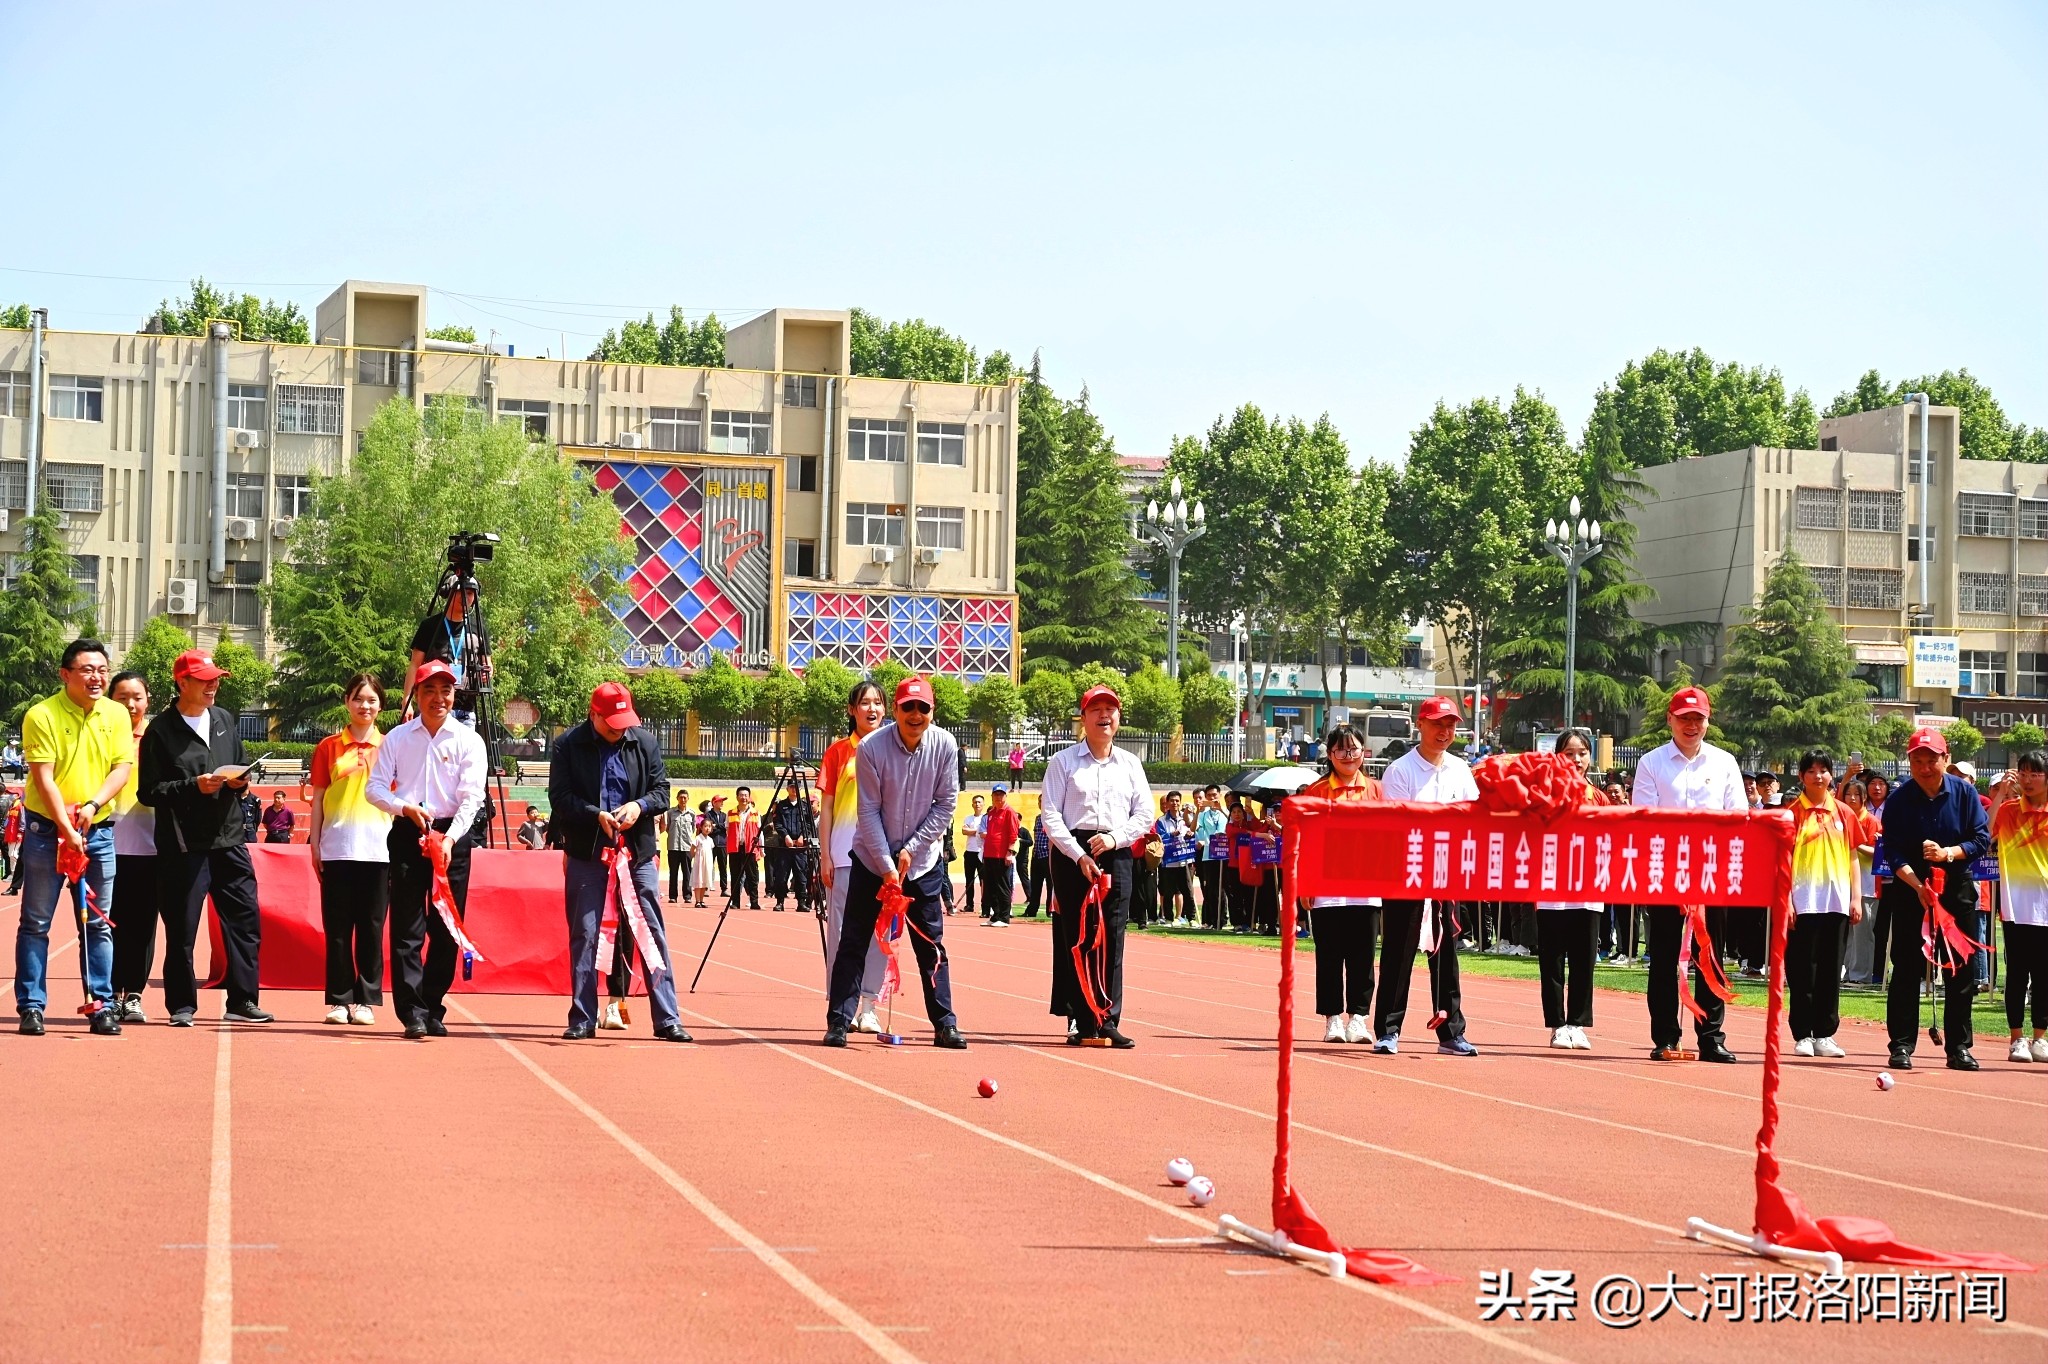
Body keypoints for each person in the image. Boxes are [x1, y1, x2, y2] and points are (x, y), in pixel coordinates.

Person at [822, 676, 966, 1049]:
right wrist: (887, 864)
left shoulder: (946, 746)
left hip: (921, 865)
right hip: (872, 861)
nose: (915, 715)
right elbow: (867, 811)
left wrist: (913, 849)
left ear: (932, 712)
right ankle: (839, 1021)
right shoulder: (871, 747)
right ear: (896, 711)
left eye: (923, 708)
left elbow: (946, 804)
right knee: (852, 941)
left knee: (930, 945)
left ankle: (944, 1023)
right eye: (908, 707)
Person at [551, 682, 690, 1043]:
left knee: (651, 932)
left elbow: (662, 790)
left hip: (637, 852)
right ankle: (583, 1016)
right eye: (611, 722)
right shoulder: (567, 746)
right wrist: (595, 814)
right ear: (592, 714)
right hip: (588, 853)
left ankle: (667, 1018)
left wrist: (638, 806)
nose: (619, 729)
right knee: (585, 932)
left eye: (624, 722)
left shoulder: (643, 742)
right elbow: (560, 798)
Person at [139, 649, 269, 1027]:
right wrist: (193, 786)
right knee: (182, 928)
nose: (214, 685)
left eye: (216, 678)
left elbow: (242, 771)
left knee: (245, 922)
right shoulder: (160, 731)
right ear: (183, 683)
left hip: (230, 839)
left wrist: (241, 783)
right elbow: (148, 792)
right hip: (184, 846)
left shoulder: (225, 720)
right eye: (205, 679)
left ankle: (243, 1000)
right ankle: (181, 1005)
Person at [16, 639, 133, 1036]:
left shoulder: (116, 714)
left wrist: (92, 805)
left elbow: (121, 769)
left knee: (98, 924)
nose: (96, 676)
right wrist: (67, 829)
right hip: (47, 832)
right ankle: (31, 1005)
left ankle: (101, 1004)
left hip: (96, 830)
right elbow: (43, 779)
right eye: (87, 669)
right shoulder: (42, 715)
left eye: (102, 669)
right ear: (65, 674)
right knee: (36, 923)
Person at [367, 660, 488, 1040]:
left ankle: (433, 1005)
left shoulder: (469, 740)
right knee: (407, 927)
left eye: (446, 691)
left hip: (453, 839)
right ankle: (411, 1012)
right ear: (416, 695)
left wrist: (451, 839)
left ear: (454, 695)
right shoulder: (399, 738)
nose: (438, 699)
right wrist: (404, 807)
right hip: (408, 834)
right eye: (429, 691)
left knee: (448, 928)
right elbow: (375, 788)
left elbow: (472, 798)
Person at [1628, 686, 1746, 1063]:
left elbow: (1738, 818)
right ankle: (1665, 1036)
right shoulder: (1651, 763)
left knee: (1709, 956)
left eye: (1698, 719)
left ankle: (1711, 1037)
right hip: (1665, 875)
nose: (1691, 726)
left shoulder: (1725, 763)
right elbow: (1645, 821)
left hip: (1712, 875)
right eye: (1684, 719)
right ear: (1671, 720)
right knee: (1664, 958)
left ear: (1708, 722)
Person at [1041, 684, 1153, 1048]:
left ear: (1118, 718)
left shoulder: (1130, 763)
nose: (1104, 716)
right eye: (1096, 710)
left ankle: (1107, 1018)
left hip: (1115, 852)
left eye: (1111, 710)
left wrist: (1115, 838)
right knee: (1077, 935)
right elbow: (1050, 816)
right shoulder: (1063, 762)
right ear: (1083, 718)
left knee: (1113, 936)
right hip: (1073, 853)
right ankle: (1078, 1017)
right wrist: (1080, 854)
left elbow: (1144, 813)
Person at [1372, 695, 1480, 1057]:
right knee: (1398, 952)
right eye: (1437, 724)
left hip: (1446, 874)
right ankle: (1388, 1030)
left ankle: (1452, 1032)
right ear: (1420, 724)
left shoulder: (1461, 771)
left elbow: (1471, 820)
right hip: (1407, 873)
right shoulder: (1400, 771)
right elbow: (1402, 823)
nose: (1445, 731)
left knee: (1447, 953)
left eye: (1450, 725)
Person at [1879, 727, 1989, 1071]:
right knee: (1907, 969)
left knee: (1961, 970)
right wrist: (1917, 886)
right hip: (1913, 892)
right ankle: (1901, 1046)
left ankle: (1959, 1048)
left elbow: (1981, 838)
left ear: (1946, 759)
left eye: (1932, 760)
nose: (1925, 767)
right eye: (1917, 760)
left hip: (1956, 891)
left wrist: (1949, 854)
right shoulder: (1898, 800)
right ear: (1909, 762)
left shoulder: (1965, 794)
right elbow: (1893, 852)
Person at [308, 674, 390, 1027]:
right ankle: (340, 1000)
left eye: (372, 700)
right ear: (347, 702)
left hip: (379, 850)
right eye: (358, 699)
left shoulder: (391, 746)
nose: (365, 706)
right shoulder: (328, 746)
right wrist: (314, 844)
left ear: (381, 706)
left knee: (372, 929)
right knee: (338, 929)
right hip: (337, 849)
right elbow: (318, 800)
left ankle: (367, 1001)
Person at [1299, 725, 1383, 1044]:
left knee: (1363, 956)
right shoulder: (1316, 792)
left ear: (1364, 751)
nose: (1348, 756)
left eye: (1354, 749)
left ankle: (1359, 1018)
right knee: (1330, 956)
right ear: (1330, 754)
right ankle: (1333, 1019)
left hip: (1367, 887)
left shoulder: (1376, 791)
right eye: (1341, 750)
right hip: (1327, 889)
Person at [818, 680, 892, 1031]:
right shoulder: (837, 753)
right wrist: (826, 855)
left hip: (883, 860)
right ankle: (840, 1008)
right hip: (845, 857)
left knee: (880, 936)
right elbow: (828, 807)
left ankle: (868, 1007)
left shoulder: (895, 750)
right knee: (841, 935)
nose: (872, 709)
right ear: (852, 710)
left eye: (878, 702)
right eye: (865, 703)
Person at [1536, 728, 1608, 1051]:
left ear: (1590, 758)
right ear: (1557, 757)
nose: (1576, 760)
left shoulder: (1600, 798)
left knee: (1583, 960)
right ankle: (1556, 1025)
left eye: (1582, 753)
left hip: (1588, 889)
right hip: (1551, 887)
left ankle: (1577, 1023)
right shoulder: (1543, 794)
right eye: (1569, 753)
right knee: (1551, 960)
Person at [1786, 748, 1861, 1058]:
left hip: (1837, 902)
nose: (1819, 776)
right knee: (1803, 970)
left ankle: (1825, 1034)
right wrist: (1787, 901)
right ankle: (1803, 1034)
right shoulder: (1791, 814)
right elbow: (1782, 859)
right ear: (1802, 776)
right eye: (1812, 770)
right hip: (1803, 902)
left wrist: (1856, 897)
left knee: (1832, 970)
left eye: (1824, 770)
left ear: (1832, 774)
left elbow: (1854, 856)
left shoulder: (1844, 812)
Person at [104, 671, 159, 1023]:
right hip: (104, 843)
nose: (130, 704)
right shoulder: (100, 735)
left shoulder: (157, 739)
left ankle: (134, 993)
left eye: (136, 697)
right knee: (105, 924)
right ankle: (107, 993)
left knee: (142, 924)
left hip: (150, 846)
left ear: (147, 700)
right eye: (122, 697)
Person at [1987, 752, 2048, 1063]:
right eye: (2023, 773)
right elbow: (1984, 833)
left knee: (2044, 976)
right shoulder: (2009, 810)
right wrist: (1999, 795)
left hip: (2046, 909)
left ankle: (2040, 1038)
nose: (2027, 778)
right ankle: (2016, 1039)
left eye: (2034, 773)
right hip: (2016, 907)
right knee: (2017, 975)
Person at [1863, 772, 1894, 984]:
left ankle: (1882, 970)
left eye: (1881, 784)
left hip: (1890, 876)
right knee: (1869, 926)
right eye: (1872, 783)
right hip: (1867, 877)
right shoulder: (1862, 811)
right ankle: (1870, 968)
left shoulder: (1893, 808)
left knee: (1885, 927)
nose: (1876, 788)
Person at [1154, 792, 1198, 926]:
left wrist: (1191, 833)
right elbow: (1160, 838)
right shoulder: (1161, 821)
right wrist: (1171, 834)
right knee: (1168, 892)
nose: (1175, 803)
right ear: (1167, 803)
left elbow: (1194, 831)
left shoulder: (1186, 818)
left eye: (1177, 801)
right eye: (1172, 801)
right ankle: (1168, 918)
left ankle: (1191, 918)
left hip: (1184, 860)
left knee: (1188, 890)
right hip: (1169, 862)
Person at [980, 784, 1021, 925]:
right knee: (990, 887)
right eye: (996, 794)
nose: (998, 797)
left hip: (1001, 855)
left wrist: (1009, 853)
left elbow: (1013, 834)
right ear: (992, 796)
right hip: (989, 854)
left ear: (1005, 796)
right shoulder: (991, 812)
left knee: (1002, 886)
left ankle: (1004, 917)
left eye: (1001, 794)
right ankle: (996, 915)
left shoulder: (1009, 812)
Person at [1194, 784, 1228, 929]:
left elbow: (1232, 822)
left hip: (1224, 854)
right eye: (1209, 796)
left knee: (1224, 889)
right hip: (1209, 855)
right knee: (1211, 889)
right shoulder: (1204, 814)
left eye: (1214, 795)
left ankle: (1223, 919)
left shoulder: (1225, 812)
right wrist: (1197, 811)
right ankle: (1213, 920)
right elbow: (1193, 828)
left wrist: (1221, 809)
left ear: (1219, 795)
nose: (1212, 798)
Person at [725, 788, 761, 910]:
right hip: (735, 848)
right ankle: (735, 902)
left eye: (745, 795)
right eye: (741, 795)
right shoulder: (730, 813)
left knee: (752, 876)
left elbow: (759, 832)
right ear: (737, 797)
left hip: (750, 848)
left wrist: (761, 850)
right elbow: (727, 830)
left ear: (749, 797)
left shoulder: (755, 813)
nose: (743, 797)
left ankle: (754, 901)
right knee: (735, 876)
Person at [961, 794, 987, 919]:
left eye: (979, 802)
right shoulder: (968, 818)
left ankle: (984, 904)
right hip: (969, 852)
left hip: (981, 852)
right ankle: (969, 904)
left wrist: (974, 831)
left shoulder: (985, 818)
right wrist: (978, 831)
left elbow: (984, 833)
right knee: (969, 880)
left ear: (983, 804)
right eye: (975, 802)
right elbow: (964, 831)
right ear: (972, 804)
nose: (977, 804)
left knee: (983, 880)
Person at [1022, 806, 1050, 918]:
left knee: (1051, 885)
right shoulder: (1038, 818)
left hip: (1048, 855)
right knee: (1035, 885)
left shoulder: (1055, 818)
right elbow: (1036, 836)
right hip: (1037, 855)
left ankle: (1050, 910)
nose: (1041, 804)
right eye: (1040, 802)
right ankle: (1032, 909)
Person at [663, 795, 693, 899]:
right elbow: (667, 828)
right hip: (673, 846)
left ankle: (687, 895)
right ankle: (672, 896)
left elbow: (692, 829)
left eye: (685, 798)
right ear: (677, 798)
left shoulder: (692, 813)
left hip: (687, 847)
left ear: (688, 799)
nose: (683, 800)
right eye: (681, 797)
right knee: (673, 872)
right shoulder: (670, 812)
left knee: (687, 872)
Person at [689, 801, 716, 907]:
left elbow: (710, 851)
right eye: (705, 826)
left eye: (709, 826)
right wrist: (694, 857)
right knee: (698, 881)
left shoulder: (710, 840)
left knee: (704, 882)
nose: (707, 828)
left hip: (707, 863)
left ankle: (702, 900)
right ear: (701, 827)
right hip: (699, 862)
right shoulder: (698, 838)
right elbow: (692, 849)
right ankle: (697, 901)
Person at [703, 795, 730, 895]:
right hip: (711, 844)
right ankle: (706, 887)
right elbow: (709, 827)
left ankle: (724, 889)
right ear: (714, 803)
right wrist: (719, 826)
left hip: (723, 844)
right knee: (709, 866)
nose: (722, 803)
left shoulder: (724, 815)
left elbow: (726, 826)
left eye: (722, 801)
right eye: (720, 801)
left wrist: (716, 825)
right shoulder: (708, 815)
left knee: (723, 867)